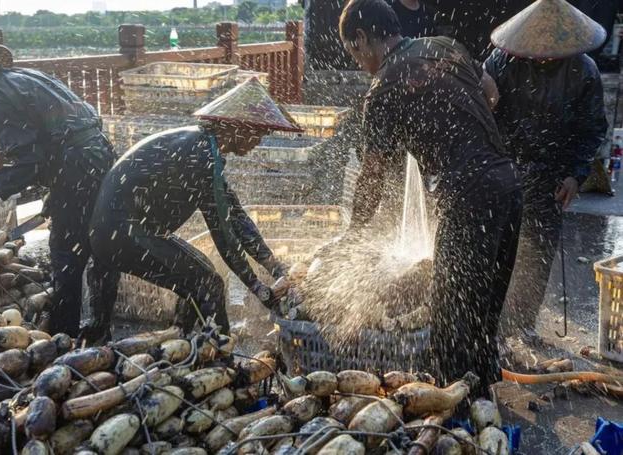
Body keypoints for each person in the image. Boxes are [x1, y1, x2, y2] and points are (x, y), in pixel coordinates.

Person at [338, 0, 523, 395]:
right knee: (483, 316)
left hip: (470, 195)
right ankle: (485, 407)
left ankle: (455, 417)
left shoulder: (383, 87)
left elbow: (372, 175)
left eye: (355, 53)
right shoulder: (445, 45)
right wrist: (456, 130)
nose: (358, 63)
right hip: (507, 185)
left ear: (361, 38)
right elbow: (490, 92)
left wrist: (353, 233)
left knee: (451, 319)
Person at [0, 45, 120, 339]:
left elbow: (27, 163)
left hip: (77, 162)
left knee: (67, 252)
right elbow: (52, 139)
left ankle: (61, 338)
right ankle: (100, 328)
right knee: (104, 242)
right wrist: (56, 187)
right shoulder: (23, 77)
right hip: (100, 152)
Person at [89, 78, 297, 334]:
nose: (259, 143)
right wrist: (256, 287)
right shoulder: (200, 155)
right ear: (237, 128)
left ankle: (184, 341)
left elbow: (235, 215)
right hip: (123, 231)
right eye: (258, 134)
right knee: (208, 283)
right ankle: (221, 355)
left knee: (199, 276)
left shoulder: (203, 147)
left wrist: (273, 265)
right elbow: (223, 232)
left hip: (130, 228)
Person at [484, 0, 609, 339]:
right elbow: (482, 110)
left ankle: (522, 326)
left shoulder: (584, 71)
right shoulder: (502, 61)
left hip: (552, 174)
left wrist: (575, 174)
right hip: (505, 168)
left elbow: (593, 128)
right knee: (496, 250)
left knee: (537, 254)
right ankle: (488, 323)